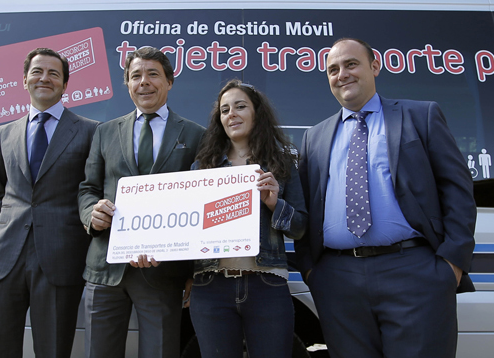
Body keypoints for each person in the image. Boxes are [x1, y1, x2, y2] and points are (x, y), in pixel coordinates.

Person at [295, 38, 476, 358]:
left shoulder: (420, 115)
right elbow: (306, 206)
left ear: (375, 66)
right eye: (333, 69)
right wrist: (312, 271)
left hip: (414, 272)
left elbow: (457, 188)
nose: (342, 74)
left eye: (351, 64)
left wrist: (451, 265)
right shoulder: (314, 137)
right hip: (338, 281)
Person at [78, 46, 205, 358]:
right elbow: (88, 188)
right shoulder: (105, 132)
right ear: (128, 84)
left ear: (169, 82)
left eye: (153, 74)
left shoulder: (195, 135)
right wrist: (91, 214)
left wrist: (193, 271)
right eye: (136, 76)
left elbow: (202, 203)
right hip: (106, 268)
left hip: (163, 273)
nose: (144, 82)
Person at [0, 47, 99, 357]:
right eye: (37, 72)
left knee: (53, 350)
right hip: (3, 258)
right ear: (25, 80)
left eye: (53, 74)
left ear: (65, 84)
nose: (44, 78)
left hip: (60, 259)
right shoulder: (4, 133)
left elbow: (92, 190)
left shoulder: (90, 131)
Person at [188, 80, 308, 358]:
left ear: (257, 113)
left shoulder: (281, 164)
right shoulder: (201, 168)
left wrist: (275, 204)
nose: (232, 114)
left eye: (240, 106)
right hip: (211, 287)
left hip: (265, 285)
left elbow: (300, 228)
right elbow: (188, 228)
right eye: (225, 110)